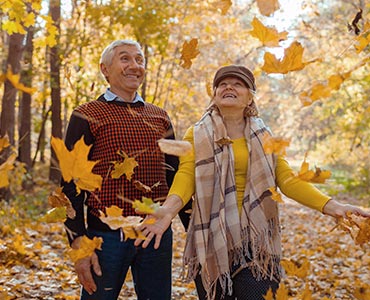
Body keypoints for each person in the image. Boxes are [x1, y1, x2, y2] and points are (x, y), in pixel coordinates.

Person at [135, 65, 370, 300]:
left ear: (250, 97)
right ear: (214, 94)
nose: (229, 86)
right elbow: (186, 176)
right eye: (222, 83)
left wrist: (334, 207)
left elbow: (287, 180)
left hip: (255, 240)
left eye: (238, 83)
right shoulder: (196, 134)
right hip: (211, 238)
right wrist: (167, 210)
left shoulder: (265, 137)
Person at [61, 39, 179, 300]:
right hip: (106, 237)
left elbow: (176, 177)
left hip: (154, 233)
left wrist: (194, 230)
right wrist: (79, 244)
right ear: (105, 69)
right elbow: (70, 184)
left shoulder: (160, 116)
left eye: (139, 60)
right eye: (125, 58)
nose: (134, 66)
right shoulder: (86, 114)